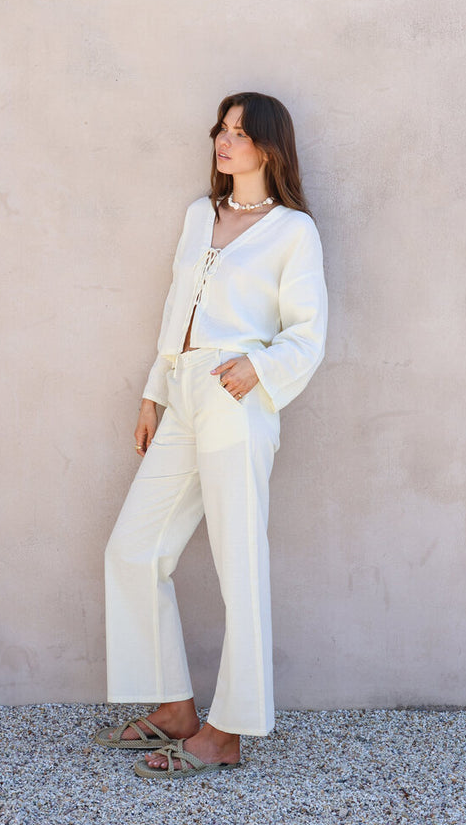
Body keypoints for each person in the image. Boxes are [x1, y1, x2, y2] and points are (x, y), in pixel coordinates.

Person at [94, 91, 327, 779]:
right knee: (133, 550)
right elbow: (177, 310)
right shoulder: (201, 215)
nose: (222, 143)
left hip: (236, 396)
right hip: (183, 392)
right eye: (219, 131)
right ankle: (173, 709)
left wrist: (256, 367)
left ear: (267, 147)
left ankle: (228, 730)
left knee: (237, 565)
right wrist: (152, 391)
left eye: (237, 133)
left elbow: (308, 334)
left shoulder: (292, 231)